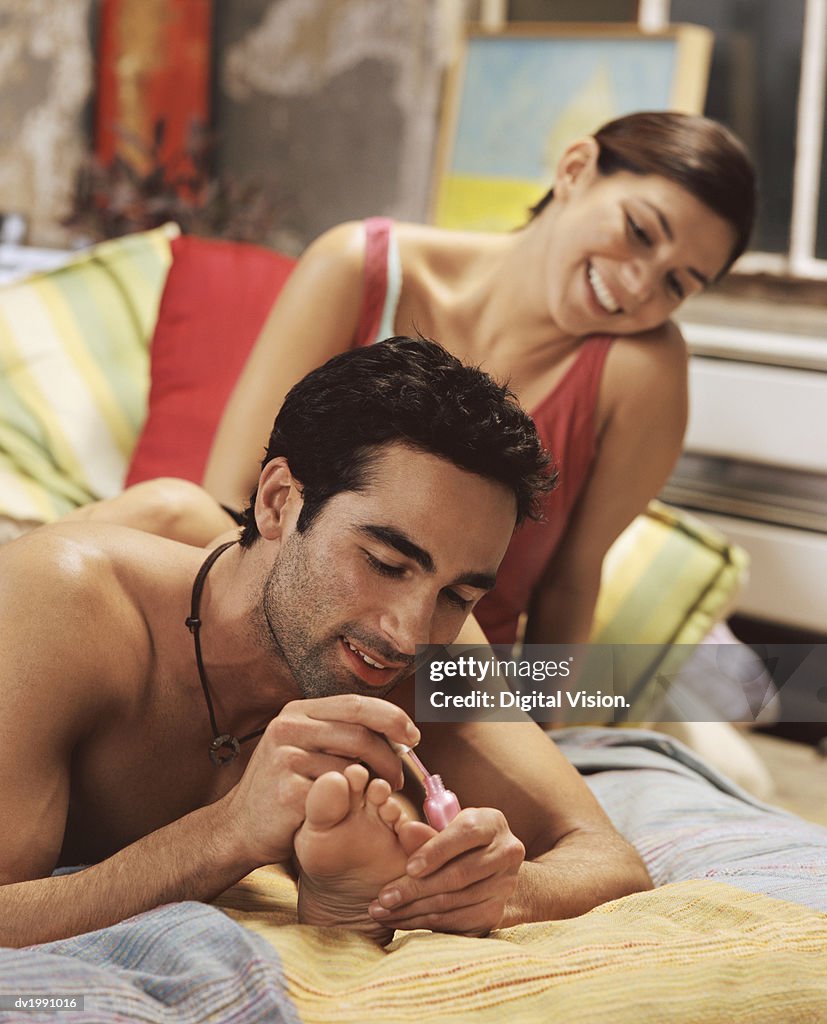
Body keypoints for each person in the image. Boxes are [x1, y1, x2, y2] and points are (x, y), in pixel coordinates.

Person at [0, 338, 652, 948]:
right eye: (385, 563)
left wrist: (503, 890)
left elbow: (605, 857)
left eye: (458, 596)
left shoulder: (435, 655)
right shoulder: (68, 599)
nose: (409, 634)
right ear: (279, 499)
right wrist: (225, 834)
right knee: (171, 509)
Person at [75, 110, 756, 649]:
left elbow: (569, 587)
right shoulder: (359, 266)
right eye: (638, 231)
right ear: (576, 168)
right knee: (167, 510)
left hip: (439, 677)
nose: (637, 284)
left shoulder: (640, 370)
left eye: (676, 283)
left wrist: (546, 749)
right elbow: (232, 501)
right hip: (282, 618)